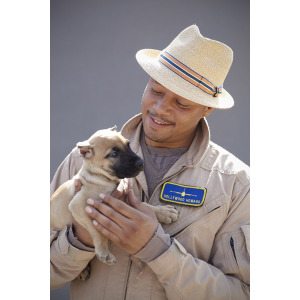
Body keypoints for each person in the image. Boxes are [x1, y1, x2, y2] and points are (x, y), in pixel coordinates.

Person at [50, 25, 250, 299]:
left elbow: (240, 293)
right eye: (156, 90)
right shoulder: (85, 160)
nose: (160, 108)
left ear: (207, 109)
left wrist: (158, 250)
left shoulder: (237, 185)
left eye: (181, 103)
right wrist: (82, 237)